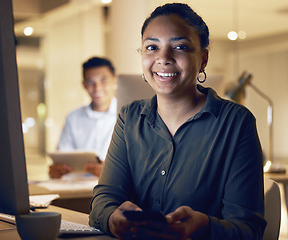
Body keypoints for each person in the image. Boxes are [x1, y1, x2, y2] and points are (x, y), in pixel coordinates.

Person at [89, 3, 266, 240]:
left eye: (180, 47)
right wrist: (112, 218)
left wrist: (204, 227)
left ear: (203, 59)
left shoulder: (236, 123)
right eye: (152, 47)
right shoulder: (129, 118)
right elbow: (104, 199)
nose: (163, 58)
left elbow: (248, 229)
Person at [49, 57, 117, 178]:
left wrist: (111, 173)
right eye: (91, 82)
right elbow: (62, 159)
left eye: (103, 80)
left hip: (116, 190)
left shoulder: (128, 114)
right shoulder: (73, 118)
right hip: (77, 189)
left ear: (114, 80)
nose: (97, 88)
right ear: (84, 85)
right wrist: (57, 170)